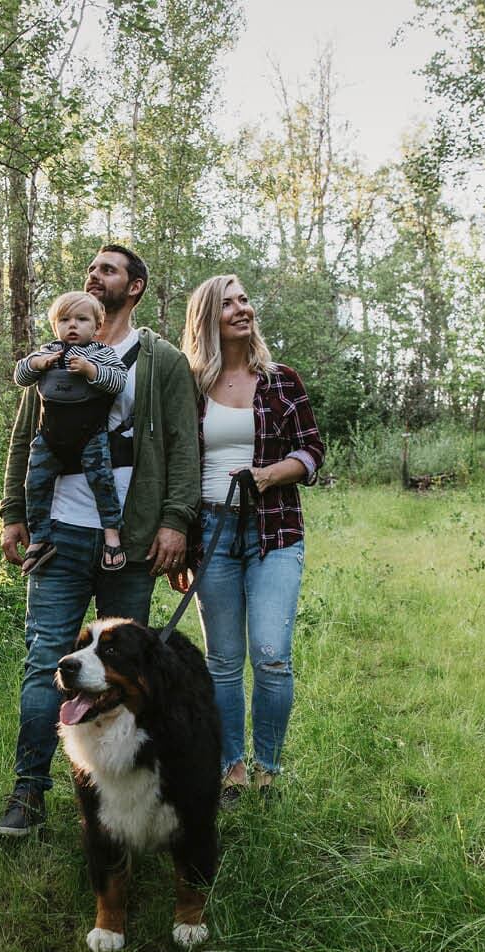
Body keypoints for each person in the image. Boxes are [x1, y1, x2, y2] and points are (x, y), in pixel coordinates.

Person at [0, 244, 201, 837]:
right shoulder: (54, 355)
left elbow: (185, 447)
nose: (95, 276)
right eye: (92, 269)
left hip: (128, 545)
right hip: (56, 537)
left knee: (122, 675)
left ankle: (120, 801)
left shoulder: (159, 360)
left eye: (108, 269)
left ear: (133, 288)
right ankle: (28, 793)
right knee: (44, 666)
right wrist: (14, 513)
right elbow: (23, 438)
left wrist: (176, 521)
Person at [175, 274, 324, 804]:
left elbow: (311, 454)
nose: (243, 309)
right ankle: (230, 767)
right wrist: (178, 536)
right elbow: (176, 465)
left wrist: (267, 474)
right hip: (210, 531)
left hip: (275, 530)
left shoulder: (281, 380)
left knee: (271, 653)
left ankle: (268, 768)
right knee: (222, 660)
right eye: (229, 303)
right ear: (207, 318)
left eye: (244, 300)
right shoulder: (188, 386)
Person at [14, 291, 129, 574]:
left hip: (90, 435)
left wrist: (91, 371)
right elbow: (20, 376)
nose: (72, 326)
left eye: (81, 319)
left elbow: (119, 381)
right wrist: (36, 364)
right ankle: (40, 538)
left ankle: (112, 533)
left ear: (96, 325)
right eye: (64, 320)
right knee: (36, 483)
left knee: (102, 482)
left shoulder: (102, 354)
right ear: (55, 326)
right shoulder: (47, 351)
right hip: (49, 436)